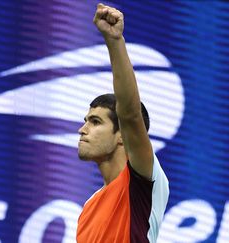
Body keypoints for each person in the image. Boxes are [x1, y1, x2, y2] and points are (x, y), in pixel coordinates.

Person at [76, 3, 169, 243]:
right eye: (86, 121)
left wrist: (114, 41)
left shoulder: (142, 180)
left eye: (95, 122)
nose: (82, 129)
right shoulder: (88, 208)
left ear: (122, 136)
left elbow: (130, 114)